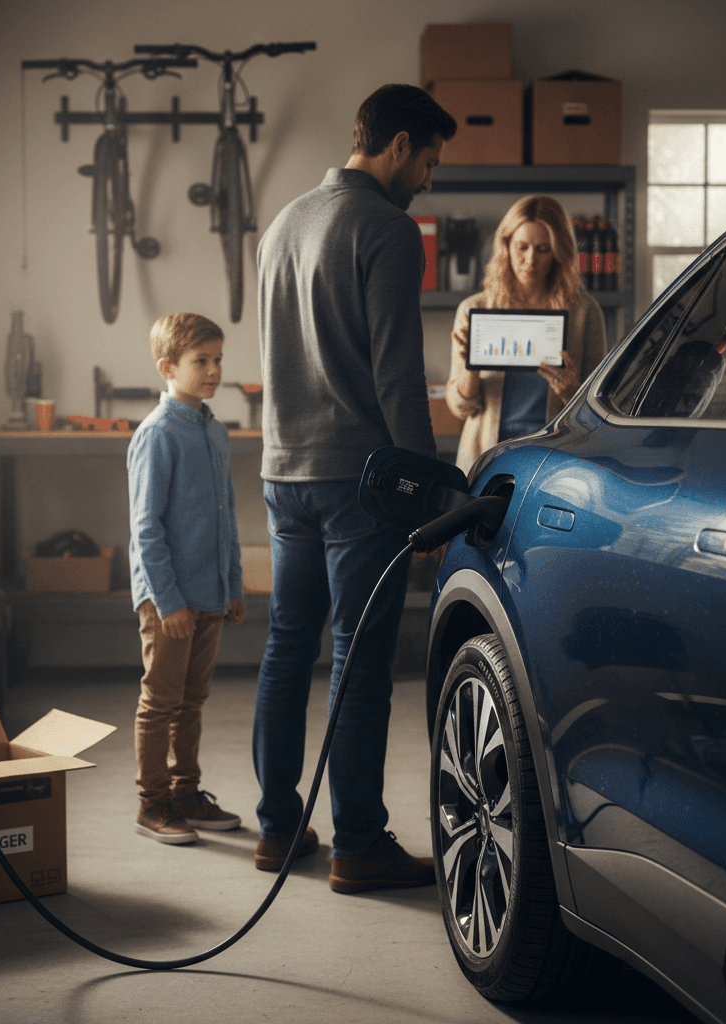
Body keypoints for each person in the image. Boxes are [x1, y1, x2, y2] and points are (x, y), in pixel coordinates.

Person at [253, 84, 457, 892]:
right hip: (358, 482)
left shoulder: (283, 222)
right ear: (399, 146)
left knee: (284, 650)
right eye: (431, 161)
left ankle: (276, 831)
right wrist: (433, 494)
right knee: (360, 660)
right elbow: (398, 377)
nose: (431, 179)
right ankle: (357, 846)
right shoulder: (388, 229)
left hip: (281, 473)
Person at [127, 312, 247, 844]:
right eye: (201, 361)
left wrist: (234, 585)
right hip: (169, 600)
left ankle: (185, 792)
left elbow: (227, 514)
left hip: (210, 595)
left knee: (192, 701)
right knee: (161, 702)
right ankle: (152, 803)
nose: (214, 370)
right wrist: (167, 599)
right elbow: (145, 528)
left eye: (218, 359)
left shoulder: (216, 432)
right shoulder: (157, 435)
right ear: (167, 366)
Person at [446, 195, 607, 474]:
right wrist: (470, 371)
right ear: (505, 246)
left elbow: (600, 411)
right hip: (485, 460)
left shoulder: (584, 313)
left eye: (543, 249)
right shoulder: (475, 309)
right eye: (522, 247)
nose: (530, 260)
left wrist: (572, 391)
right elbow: (460, 408)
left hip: (552, 465)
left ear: (559, 252)